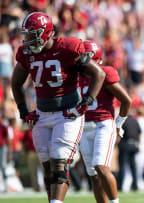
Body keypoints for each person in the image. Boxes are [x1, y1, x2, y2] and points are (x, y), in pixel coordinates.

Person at [11, 12, 105, 203]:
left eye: (33, 34)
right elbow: (16, 83)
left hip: (67, 113)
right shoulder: (26, 53)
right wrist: (23, 111)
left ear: (46, 33)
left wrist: (85, 103)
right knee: (47, 168)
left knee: (59, 163)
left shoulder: (68, 48)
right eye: (26, 34)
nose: (28, 39)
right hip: (42, 114)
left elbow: (99, 74)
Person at [78, 40, 131, 203]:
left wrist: (118, 125)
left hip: (103, 124)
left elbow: (126, 100)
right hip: (83, 127)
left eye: (85, 58)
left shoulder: (106, 73)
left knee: (101, 167)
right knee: (93, 175)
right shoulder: (75, 76)